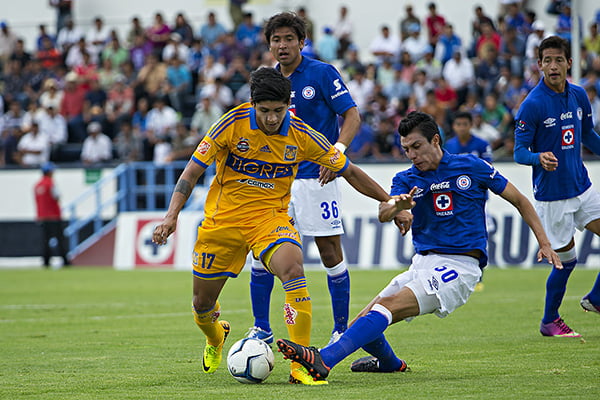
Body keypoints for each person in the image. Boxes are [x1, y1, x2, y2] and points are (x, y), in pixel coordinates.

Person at [151, 67, 404, 385]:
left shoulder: (301, 134)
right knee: (202, 305)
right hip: (222, 222)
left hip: (269, 219)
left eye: (279, 111)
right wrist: (170, 216)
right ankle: (216, 335)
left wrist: (390, 202)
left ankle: (302, 364)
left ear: (288, 106)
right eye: (265, 111)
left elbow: (349, 172)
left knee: (293, 270)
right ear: (253, 105)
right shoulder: (231, 123)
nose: (272, 118)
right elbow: (191, 172)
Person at [275, 110, 561, 382]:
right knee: (361, 325)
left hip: (460, 267)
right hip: (422, 263)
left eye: (416, 146)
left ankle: (322, 360)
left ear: (435, 140)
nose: (412, 155)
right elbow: (383, 213)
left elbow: (521, 201)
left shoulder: (472, 167)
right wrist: (397, 206)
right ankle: (390, 364)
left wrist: (544, 242)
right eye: (406, 150)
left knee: (385, 309)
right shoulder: (406, 179)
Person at [246, 12, 362, 348]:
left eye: (288, 39)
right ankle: (261, 327)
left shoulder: (322, 73)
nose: (282, 45)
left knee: (329, 250)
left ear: (302, 41)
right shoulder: (265, 81)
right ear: (269, 44)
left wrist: (337, 152)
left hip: (316, 178)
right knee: (263, 252)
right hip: (275, 182)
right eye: (276, 40)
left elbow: (352, 114)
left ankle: (340, 329)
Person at [513, 36, 600, 338]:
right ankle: (550, 320)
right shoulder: (532, 105)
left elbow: (588, 134)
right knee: (567, 263)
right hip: (554, 199)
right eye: (547, 60)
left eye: (558, 60)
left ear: (569, 63)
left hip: (583, 188)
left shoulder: (578, 95)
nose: (553, 66)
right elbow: (519, 152)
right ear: (539, 65)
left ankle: (597, 299)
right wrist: (538, 158)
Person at [34, 162, 70, 268]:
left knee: (45, 240)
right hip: (54, 216)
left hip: (42, 216)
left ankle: (46, 261)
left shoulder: (37, 186)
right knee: (60, 240)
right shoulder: (50, 184)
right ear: (49, 172)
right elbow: (57, 196)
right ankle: (65, 261)